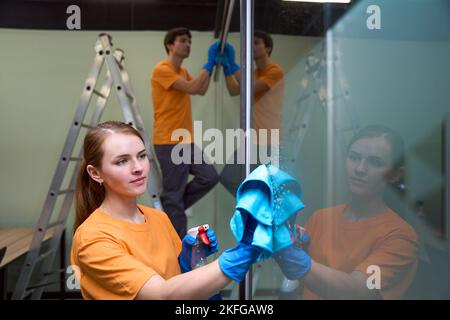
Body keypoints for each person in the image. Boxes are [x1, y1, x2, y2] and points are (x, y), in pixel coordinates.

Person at [70, 121, 260, 300]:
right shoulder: (92, 239)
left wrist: (187, 262)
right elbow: (162, 294)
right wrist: (244, 253)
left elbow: (178, 283)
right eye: (122, 161)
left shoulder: (158, 218)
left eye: (142, 156)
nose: (138, 168)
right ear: (95, 173)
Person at [275, 125, 419, 299]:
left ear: (395, 175)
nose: (359, 169)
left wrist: (292, 257)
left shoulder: (400, 237)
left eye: (375, 162)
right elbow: (295, 285)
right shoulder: (320, 218)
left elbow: (357, 290)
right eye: (353, 157)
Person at [151, 27, 220, 237]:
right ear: (170, 45)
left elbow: (201, 89)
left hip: (185, 142)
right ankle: (179, 251)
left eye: (189, 40)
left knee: (209, 177)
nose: (188, 44)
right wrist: (208, 64)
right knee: (174, 198)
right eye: (182, 40)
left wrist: (214, 65)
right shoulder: (162, 69)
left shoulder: (182, 72)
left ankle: (173, 205)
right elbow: (192, 88)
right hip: (169, 141)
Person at [219, 31, 285, 196]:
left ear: (268, 48)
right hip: (251, 139)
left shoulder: (275, 71)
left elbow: (250, 86)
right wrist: (227, 70)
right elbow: (235, 89)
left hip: (269, 139)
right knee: (229, 177)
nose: (251, 47)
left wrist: (234, 65)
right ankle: (254, 207)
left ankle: (263, 214)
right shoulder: (253, 74)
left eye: (256, 43)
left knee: (269, 188)